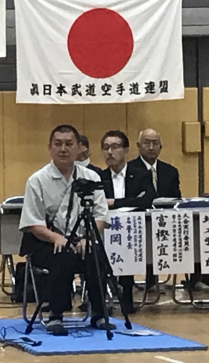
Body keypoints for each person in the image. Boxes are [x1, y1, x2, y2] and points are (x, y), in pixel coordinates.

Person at [19, 124, 112, 336]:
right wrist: (55, 238)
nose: (63, 149)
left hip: (82, 238)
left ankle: (99, 313)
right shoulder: (37, 180)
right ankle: (56, 314)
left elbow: (100, 215)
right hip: (47, 242)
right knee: (62, 257)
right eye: (58, 144)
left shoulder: (91, 177)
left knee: (96, 255)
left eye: (69, 144)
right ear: (50, 148)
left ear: (79, 148)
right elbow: (33, 223)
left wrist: (88, 237)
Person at [100, 130, 156, 313]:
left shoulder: (140, 174)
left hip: (133, 230)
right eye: (106, 148)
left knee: (127, 246)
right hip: (105, 228)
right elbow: (97, 204)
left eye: (115, 147)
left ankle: (127, 296)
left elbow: (146, 199)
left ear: (125, 150)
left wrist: (115, 203)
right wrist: (131, 201)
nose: (110, 152)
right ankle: (99, 300)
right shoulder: (99, 177)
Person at [129, 128, 184, 290]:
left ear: (161, 146)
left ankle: (195, 279)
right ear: (138, 146)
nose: (151, 147)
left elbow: (176, 198)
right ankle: (130, 282)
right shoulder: (129, 169)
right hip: (138, 222)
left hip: (165, 221)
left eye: (155, 143)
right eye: (146, 143)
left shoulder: (170, 171)